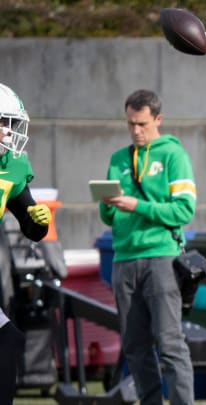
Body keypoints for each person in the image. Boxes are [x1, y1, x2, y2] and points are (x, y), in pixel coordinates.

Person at [98, 89, 197, 405]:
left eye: (142, 124)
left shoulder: (173, 155)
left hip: (161, 258)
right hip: (123, 257)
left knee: (170, 344)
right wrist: (108, 205)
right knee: (135, 347)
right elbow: (109, 217)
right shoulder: (118, 159)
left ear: (158, 119)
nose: (136, 131)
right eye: (130, 124)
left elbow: (184, 210)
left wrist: (136, 205)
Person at [0, 82, 52, 404]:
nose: (7, 131)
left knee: (9, 340)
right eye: (1, 122)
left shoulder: (12, 166)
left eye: (10, 123)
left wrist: (37, 220)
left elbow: (29, 223)